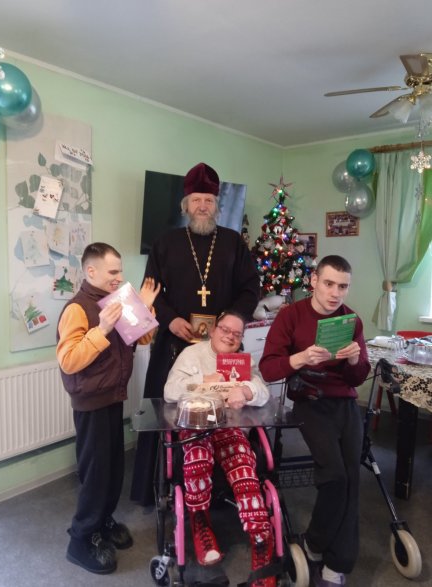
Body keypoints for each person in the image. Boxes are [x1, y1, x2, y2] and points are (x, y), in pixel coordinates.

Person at [130, 162, 260, 507]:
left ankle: (225, 485)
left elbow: (251, 289)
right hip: (174, 343)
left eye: (209, 200)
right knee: (167, 409)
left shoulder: (233, 243)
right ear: (185, 205)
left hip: (224, 343)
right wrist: (170, 320)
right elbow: (150, 291)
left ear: (217, 205)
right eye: (197, 200)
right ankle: (159, 486)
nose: (203, 206)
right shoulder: (165, 243)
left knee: (229, 408)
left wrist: (229, 321)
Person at [259, 255, 370, 587]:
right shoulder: (291, 315)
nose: (335, 293)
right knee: (335, 476)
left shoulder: (351, 320)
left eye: (343, 286)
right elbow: (268, 368)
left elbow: (357, 378)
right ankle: (316, 542)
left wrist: (354, 360)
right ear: (314, 281)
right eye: (329, 284)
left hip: (344, 402)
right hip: (309, 400)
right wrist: (300, 358)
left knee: (351, 478)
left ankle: (337, 560)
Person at [56, 242, 160, 575]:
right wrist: (101, 329)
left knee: (114, 469)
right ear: (91, 271)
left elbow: (143, 339)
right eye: (113, 272)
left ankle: (102, 521)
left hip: (114, 397)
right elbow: (69, 360)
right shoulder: (77, 309)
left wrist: (144, 308)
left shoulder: (118, 300)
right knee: (96, 474)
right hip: (91, 404)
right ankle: (81, 539)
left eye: (120, 271)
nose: (119, 277)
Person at [164, 310, 275, 587]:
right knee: (198, 457)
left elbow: (263, 392)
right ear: (213, 330)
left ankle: (261, 542)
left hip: (229, 427)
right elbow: (169, 391)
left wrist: (246, 391)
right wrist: (203, 382)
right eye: (225, 329)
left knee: (244, 468)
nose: (230, 336)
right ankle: (200, 523)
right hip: (197, 425)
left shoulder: (243, 361)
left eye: (237, 334)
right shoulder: (191, 355)